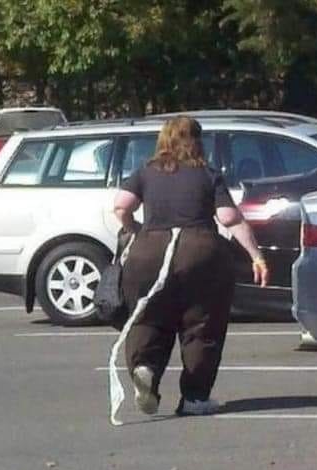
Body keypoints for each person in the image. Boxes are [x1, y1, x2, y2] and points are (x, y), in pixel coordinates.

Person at [112, 115, 269, 418]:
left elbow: (121, 205)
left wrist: (135, 229)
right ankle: (195, 397)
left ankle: (145, 368)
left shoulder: (146, 171)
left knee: (148, 317)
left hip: (149, 251)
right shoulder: (207, 174)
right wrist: (256, 256)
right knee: (202, 324)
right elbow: (229, 218)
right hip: (199, 251)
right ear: (197, 141)